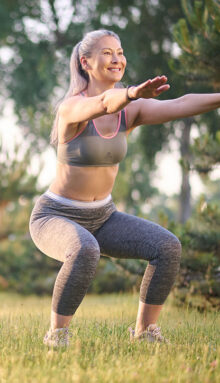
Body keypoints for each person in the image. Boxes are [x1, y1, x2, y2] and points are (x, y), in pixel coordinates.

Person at [29, 29, 220, 347]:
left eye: (119, 51)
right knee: (84, 248)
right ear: (85, 61)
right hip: (55, 216)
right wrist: (132, 93)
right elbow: (104, 103)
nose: (116, 58)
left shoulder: (131, 111)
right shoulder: (71, 108)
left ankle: (145, 332)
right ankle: (57, 334)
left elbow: (183, 103)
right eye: (106, 52)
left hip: (103, 216)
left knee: (166, 247)